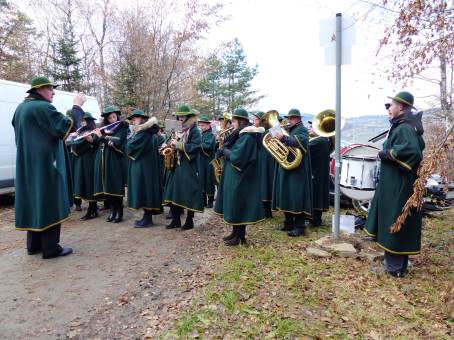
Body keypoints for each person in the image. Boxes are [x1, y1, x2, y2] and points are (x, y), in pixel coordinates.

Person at [12, 76, 85, 259]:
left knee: (35, 201)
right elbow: (68, 126)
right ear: (40, 90)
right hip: (45, 164)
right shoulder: (42, 107)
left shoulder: (20, 108)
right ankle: (51, 248)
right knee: (49, 201)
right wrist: (76, 106)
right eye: (50, 89)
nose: (53, 92)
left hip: (28, 164)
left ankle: (34, 245)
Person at [365, 91, 425, 278]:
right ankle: (393, 264)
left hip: (400, 185)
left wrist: (387, 153)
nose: (388, 109)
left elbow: (413, 152)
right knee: (391, 217)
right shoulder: (401, 126)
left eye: (391, 105)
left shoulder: (405, 128)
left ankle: (395, 268)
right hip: (394, 183)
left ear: (401, 107)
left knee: (395, 217)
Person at [214, 108, 265, 246]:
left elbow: (238, 157)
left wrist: (225, 151)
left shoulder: (248, 136)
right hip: (236, 175)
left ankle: (240, 237)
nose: (232, 124)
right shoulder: (241, 134)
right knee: (234, 204)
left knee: (239, 205)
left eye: (234, 121)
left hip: (242, 176)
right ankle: (235, 232)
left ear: (241, 121)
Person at [272, 108, 313, 237]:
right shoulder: (290, 129)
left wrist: (283, 137)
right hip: (287, 166)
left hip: (298, 169)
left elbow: (300, 143)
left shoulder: (302, 129)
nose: (288, 120)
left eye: (291, 118)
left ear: (298, 119)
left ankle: (299, 227)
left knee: (296, 196)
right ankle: (288, 223)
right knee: (286, 194)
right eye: (288, 118)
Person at [163, 104, 203, 230]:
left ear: (188, 116)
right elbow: (171, 141)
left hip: (188, 165)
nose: (180, 118)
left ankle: (189, 221)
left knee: (188, 193)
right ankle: (175, 220)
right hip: (175, 165)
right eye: (179, 116)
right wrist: (167, 146)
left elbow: (195, 147)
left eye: (183, 116)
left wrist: (179, 145)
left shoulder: (194, 130)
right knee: (173, 192)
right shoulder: (177, 129)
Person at [126, 109, 162, 227]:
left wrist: (130, 139)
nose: (133, 121)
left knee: (145, 190)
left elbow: (130, 147)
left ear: (142, 119)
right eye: (132, 120)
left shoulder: (144, 132)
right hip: (148, 165)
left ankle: (147, 219)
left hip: (144, 166)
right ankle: (147, 218)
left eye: (135, 119)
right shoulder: (148, 131)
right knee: (147, 190)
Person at [93, 105, 129, 223]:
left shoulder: (122, 128)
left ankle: (119, 212)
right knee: (107, 186)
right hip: (104, 161)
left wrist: (103, 137)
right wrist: (94, 137)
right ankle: (112, 211)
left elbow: (117, 142)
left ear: (117, 117)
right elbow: (98, 142)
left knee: (116, 186)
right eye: (110, 118)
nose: (112, 120)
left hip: (115, 161)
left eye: (114, 117)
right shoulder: (104, 129)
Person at [67, 112, 99, 220]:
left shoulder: (91, 132)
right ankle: (93, 209)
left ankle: (92, 210)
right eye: (82, 121)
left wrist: (73, 140)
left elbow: (76, 145)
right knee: (87, 185)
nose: (82, 123)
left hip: (89, 162)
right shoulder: (81, 132)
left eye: (85, 121)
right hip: (83, 162)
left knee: (89, 185)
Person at [308, 115, 333, 226]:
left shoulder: (318, 141)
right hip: (319, 172)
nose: (309, 129)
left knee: (316, 194)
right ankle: (315, 218)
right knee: (318, 194)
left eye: (311, 127)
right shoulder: (324, 140)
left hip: (316, 173)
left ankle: (315, 219)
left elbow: (304, 148)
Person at [253, 111, 275, 218]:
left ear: (262, 121)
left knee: (267, 183)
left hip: (268, 160)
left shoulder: (269, 130)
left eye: (256, 119)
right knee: (261, 183)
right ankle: (262, 209)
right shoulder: (256, 131)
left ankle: (267, 210)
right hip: (261, 159)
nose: (254, 121)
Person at [198, 114, 216, 208]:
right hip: (201, 161)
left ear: (208, 126)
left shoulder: (211, 135)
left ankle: (210, 201)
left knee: (209, 180)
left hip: (209, 161)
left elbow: (207, 146)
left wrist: (197, 144)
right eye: (200, 125)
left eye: (203, 125)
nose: (201, 127)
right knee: (201, 180)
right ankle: (203, 200)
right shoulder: (201, 135)